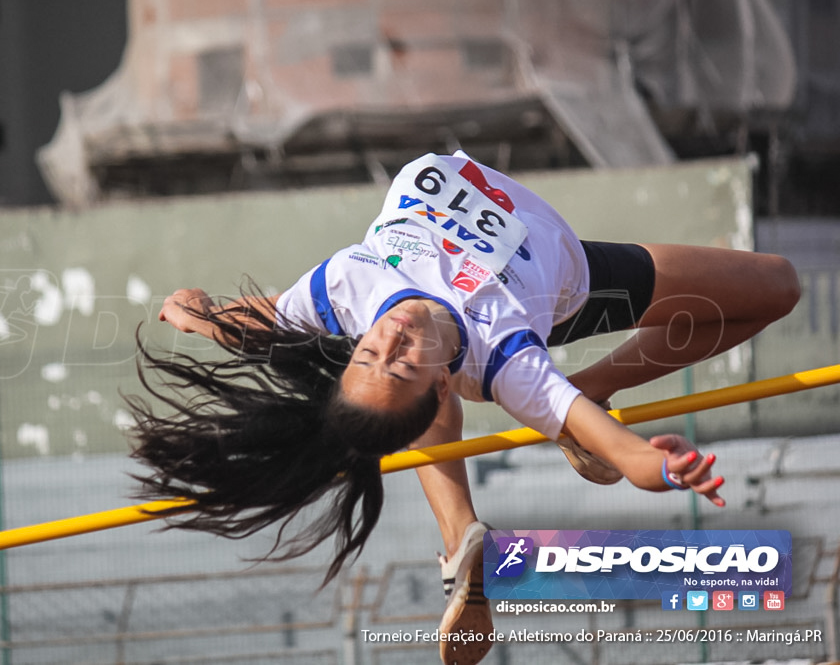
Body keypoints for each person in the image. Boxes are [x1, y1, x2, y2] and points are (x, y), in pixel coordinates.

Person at [127, 151, 799, 665]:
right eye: (397, 362)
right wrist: (661, 464)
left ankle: (466, 535)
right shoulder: (509, 357)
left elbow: (263, 319)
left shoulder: (343, 288)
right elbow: (624, 454)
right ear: (441, 385)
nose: (385, 341)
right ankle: (460, 534)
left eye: (367, 354)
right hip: (567, 286)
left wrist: (200, 313)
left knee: (778, 284)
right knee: (775, 286)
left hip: (527, 253)